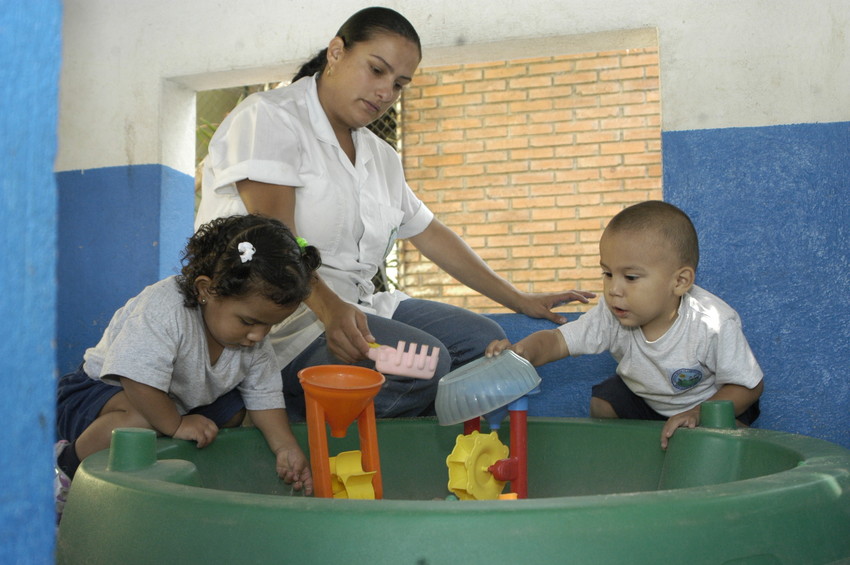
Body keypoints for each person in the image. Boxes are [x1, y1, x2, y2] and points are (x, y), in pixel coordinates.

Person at [194, 6, 594, 420]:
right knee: (427, 366)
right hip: (286, 317)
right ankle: (273, 421)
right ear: (336, 53)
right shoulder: (270, 117)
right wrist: (331, 310)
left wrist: (520, 299)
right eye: (376, 70)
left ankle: (396, 437)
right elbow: (277, 239)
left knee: (482, 341)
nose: (386, 92)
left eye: (400, 84)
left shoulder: (380, 155)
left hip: (357, 307)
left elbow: (429, 233)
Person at [55, 214, 319, 521]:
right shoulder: (164, 308)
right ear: (206, 290)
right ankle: (67, 468)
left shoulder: (253, 341)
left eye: (270, 326)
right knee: (141, 419)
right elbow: (138, 381)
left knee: (233, 410)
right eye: (249, 321)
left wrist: (285, 446)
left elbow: (265, 398)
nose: (259, 335)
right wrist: (176, 425)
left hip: (173, 410)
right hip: (99, 397)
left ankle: (170, 468)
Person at [486, 201, 764, 449]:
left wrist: (698, 414)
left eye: (630, 277)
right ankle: (634, 457)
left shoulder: (712, 322)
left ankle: (725, 458)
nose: (614, 289)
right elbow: (558, 341)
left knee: (728, 429)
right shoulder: (611, 313)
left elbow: (748, 387)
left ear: (679, 282)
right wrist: (522, 353)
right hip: (647, 402)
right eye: (607, 273)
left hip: (707, 403)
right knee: (604, 402)